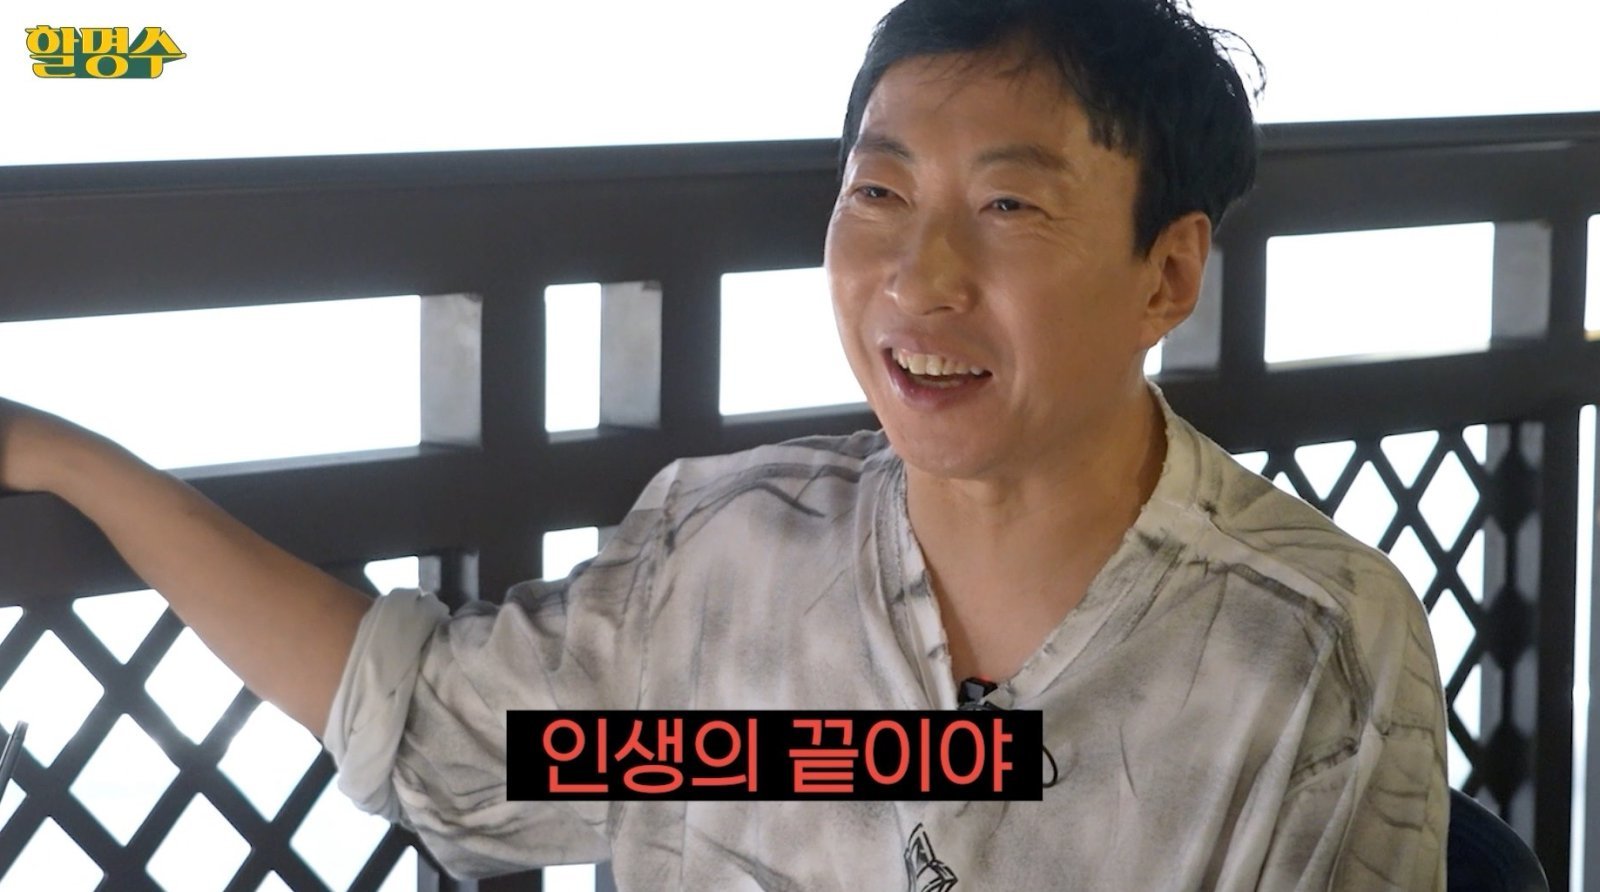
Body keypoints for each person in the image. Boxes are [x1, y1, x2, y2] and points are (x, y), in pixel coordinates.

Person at [0, 0, 1448, 888]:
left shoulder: (1307, 649)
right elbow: (431, 725)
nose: (920, 278)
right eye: (879, 194)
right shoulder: (730, 567)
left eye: (1010, 207)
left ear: (1167, 273)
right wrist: (72, 465)